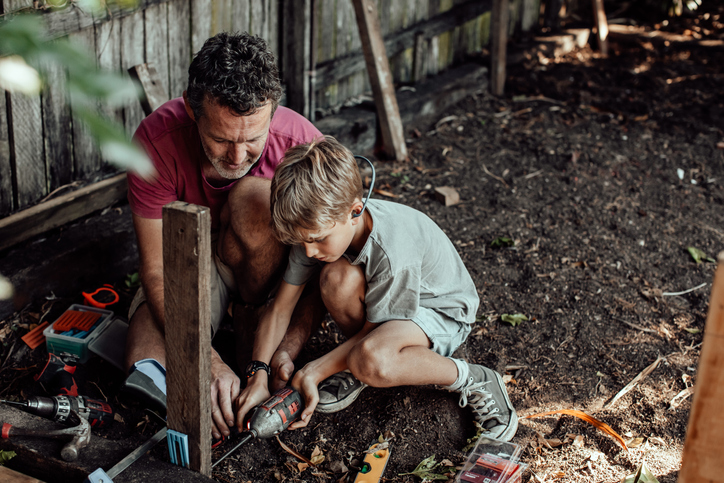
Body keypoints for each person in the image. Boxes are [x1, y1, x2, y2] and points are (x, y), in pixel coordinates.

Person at [233, 137, 519, 442]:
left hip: (440, 311)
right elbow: (280, 308)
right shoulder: (315, 227)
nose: (309, 251)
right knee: (335, 279)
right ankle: (354, 364)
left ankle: (474, 378)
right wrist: (257, 375)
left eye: (317, 239)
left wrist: (314, 370)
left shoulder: (393, 252)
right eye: (302, 241)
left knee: (372, 359)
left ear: (355, 210)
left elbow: (374, 333)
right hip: (389, 309)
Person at [123, 32, 324, 440]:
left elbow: (331, 265)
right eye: (220, 139)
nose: (236, 156)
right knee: (144, 364)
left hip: (275, 276)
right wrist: (207, 362)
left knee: (253, 196)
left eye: (252, 139)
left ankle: (251, 321)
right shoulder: (155, 143)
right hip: (192, 262)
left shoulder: (302, 145)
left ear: (273, 111)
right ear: (191, 109)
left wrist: (291, 342)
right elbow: (157, 270)